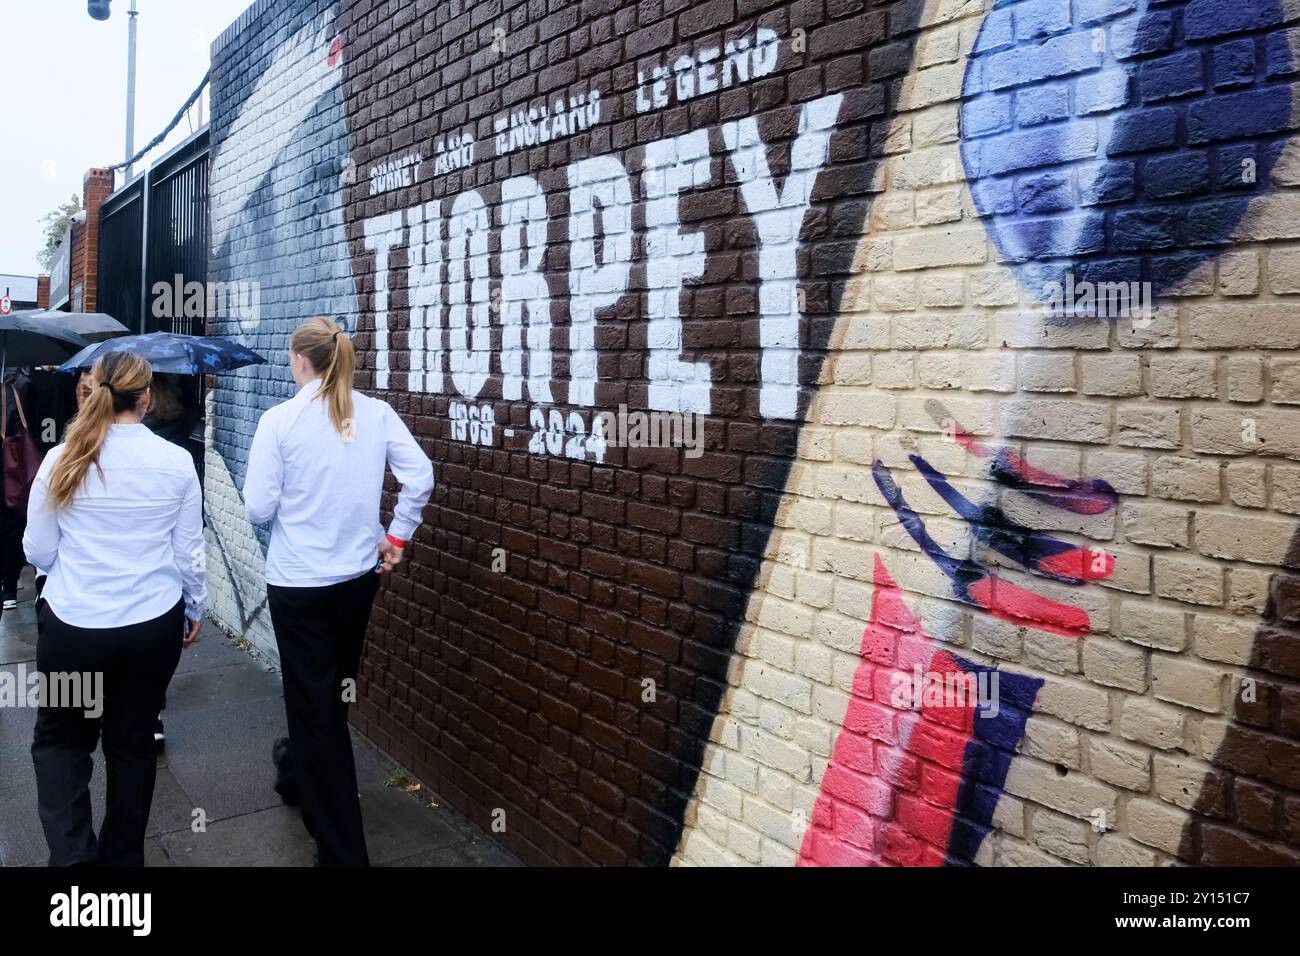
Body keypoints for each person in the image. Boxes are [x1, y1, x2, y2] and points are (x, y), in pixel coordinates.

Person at [242, 316, 433, 866]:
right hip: (356, 582)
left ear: (302, 361)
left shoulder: (279, 421)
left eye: (289, 356)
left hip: (298, 585)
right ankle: (295, 770)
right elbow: (420, 476)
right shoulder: (374, 413)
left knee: (315, 708)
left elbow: (256, 508)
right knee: (331, 692)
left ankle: (343, 851)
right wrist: (397, 536)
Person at [24, 351, 205, 867]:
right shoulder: (176, 462)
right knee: (132, 744)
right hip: (151, 627)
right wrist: (194, 608)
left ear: (93, 389)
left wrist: (73, 571)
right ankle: (122, 867)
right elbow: (189, 552)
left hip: (74, 628)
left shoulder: (63, 459)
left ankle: (76, 868)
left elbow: (37, 549)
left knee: (62, 743)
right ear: (145, 397)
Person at [141, 372, 204, 750]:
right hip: (169, 530)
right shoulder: (183, 418)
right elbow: (189, 543)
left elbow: (38, 548)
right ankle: (153, 717)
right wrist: (195, 603)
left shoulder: (142, 429)